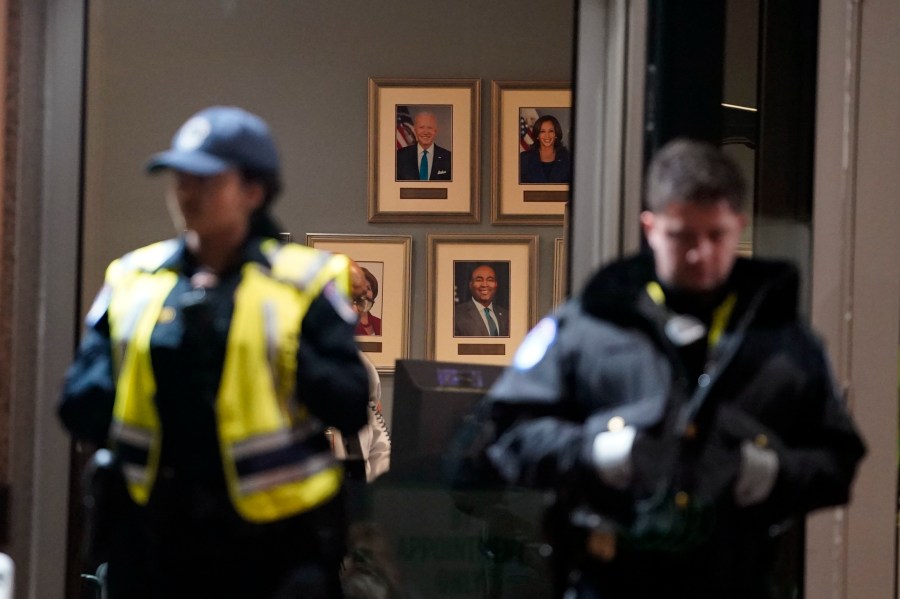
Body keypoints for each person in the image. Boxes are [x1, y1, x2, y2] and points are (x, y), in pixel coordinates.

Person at [448, 138, 866, 598]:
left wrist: (771, 471)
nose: (699, 254)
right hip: (609, 576)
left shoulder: (783, 340)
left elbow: (837, 461)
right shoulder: (588, 325)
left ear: (739, 227)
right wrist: (597, 452)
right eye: (681, 236)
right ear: (650, 228)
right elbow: (507, 435)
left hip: (735, 579)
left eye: (717, 236)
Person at [57, 105, 369, 599]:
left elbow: (349, 404)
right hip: (155, 539)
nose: (187, 192)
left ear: (254, 191)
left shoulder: (301, 282)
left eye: (207, 180)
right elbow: (79, 404)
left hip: (273, 548)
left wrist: (280, 355)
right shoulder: (135, 278)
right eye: (179, 178)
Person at [331, 261, 391, 483]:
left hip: (358, 493)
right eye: (348, 299)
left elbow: (378, 445)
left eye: (360, 302)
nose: (355, 309)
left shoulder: (362, 366)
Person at [454, 263, 509, 337]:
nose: (484, 284)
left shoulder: (506, 315)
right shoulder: (457, 315)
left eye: (490, 280)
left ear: (496, 284)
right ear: (470, 284)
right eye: (479, 280)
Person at [396, 111, 452, 181]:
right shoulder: (400, 156)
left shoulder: (449, 158)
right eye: (421, 127)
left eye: (430, 128)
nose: (426, 132)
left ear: (435, 131)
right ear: (415, 130)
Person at [519, 114, 572, 184]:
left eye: (551, 131)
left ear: (556, 134)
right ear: (537, 135)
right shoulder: (524, 159)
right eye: (542, 131)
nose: (547, 135)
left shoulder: (568, 158)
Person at [353, 266, 382, 336]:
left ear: (373, 293)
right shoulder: (342, 323)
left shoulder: (380, 324)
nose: (364, 292)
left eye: (368, 288)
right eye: (359, 287)